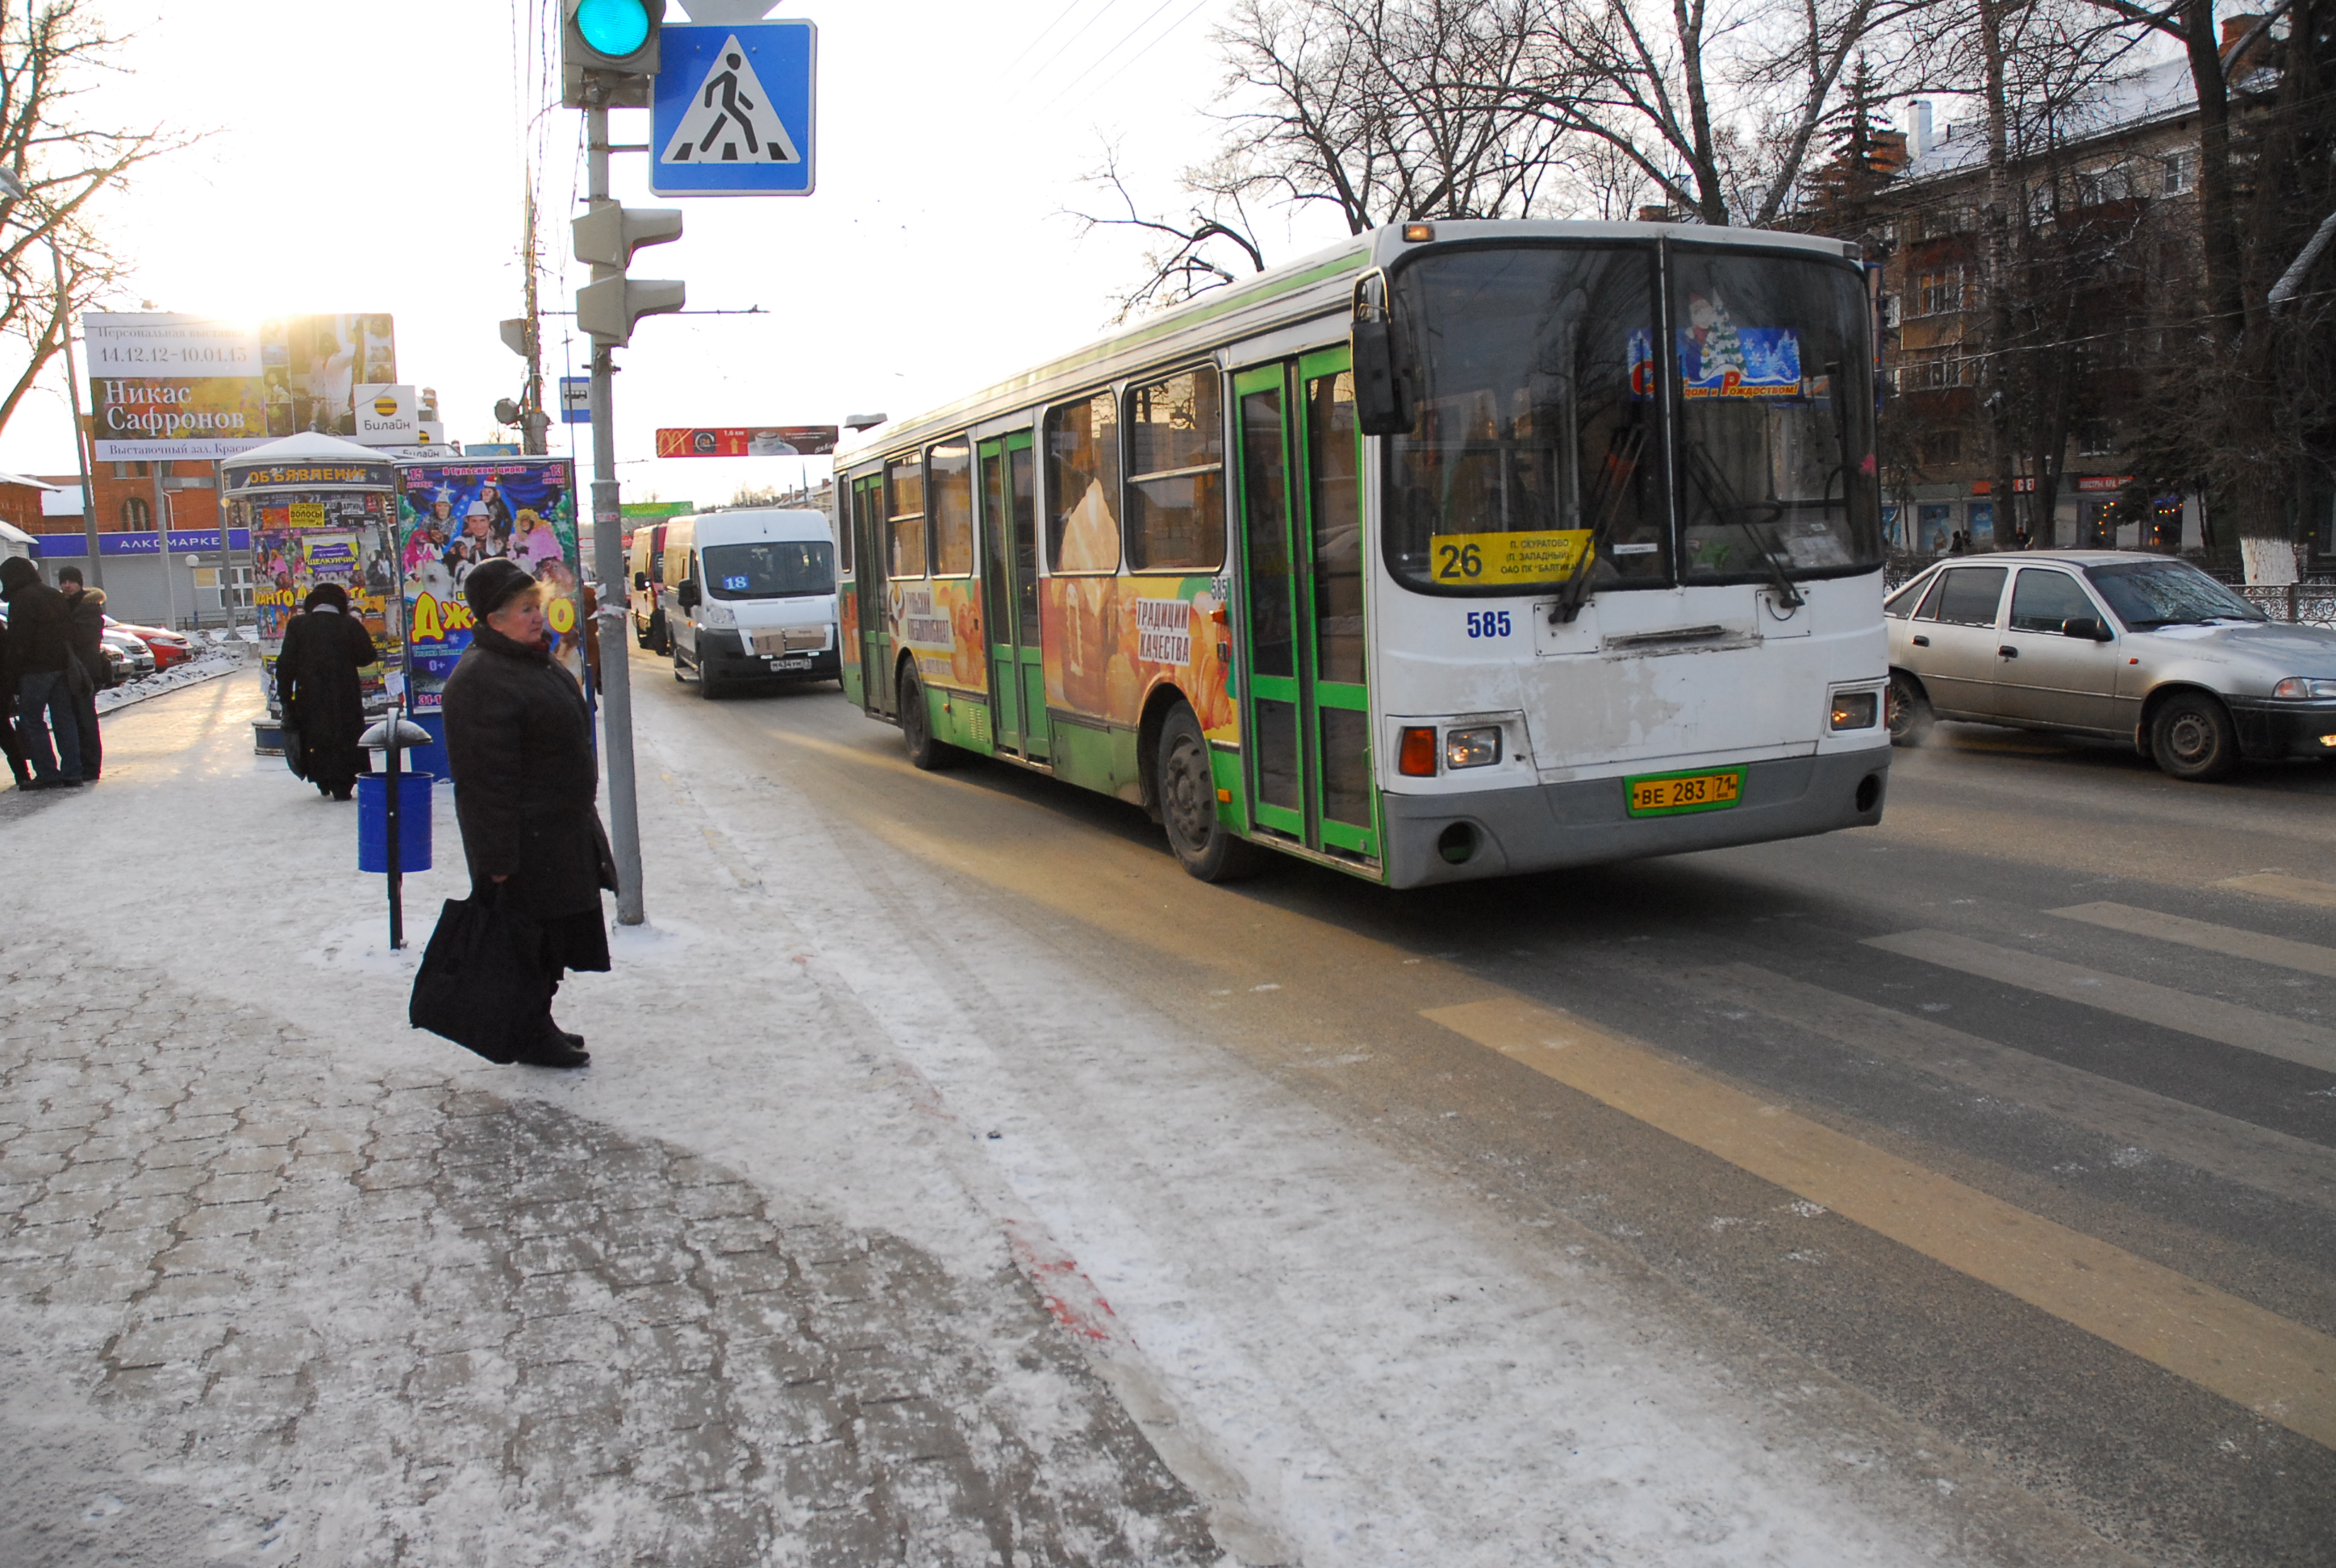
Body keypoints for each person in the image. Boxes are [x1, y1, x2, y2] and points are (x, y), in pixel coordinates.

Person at [441, 558, 614, 1070]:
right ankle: (530, 1032)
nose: (537, 617)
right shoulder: (480, 680)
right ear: (493, 620)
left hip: (555, 833)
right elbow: (483, 781)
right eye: (524, 610)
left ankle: (539, 1020)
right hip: (524, 842)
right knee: (527, 944)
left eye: (536, 606)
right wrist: (495, 856)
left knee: (550, 939)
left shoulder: (524, 661)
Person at [276, 582, 379, 800]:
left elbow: (286, 664)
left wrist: (286, 696)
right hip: (345, 694)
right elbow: (367, 656)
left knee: (316, 735)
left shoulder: (298, 625)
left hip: (309, 694)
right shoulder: (349, 624)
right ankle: (344, 782)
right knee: (347, 736)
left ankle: (322, 779)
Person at [0, 556, 82, 789]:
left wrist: (11, 676)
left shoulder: (22, 599)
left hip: (34, 670)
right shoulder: (53, 595)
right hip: (61, 666)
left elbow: (19, 641)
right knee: (64, 719)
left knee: (33, 720)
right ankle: (73, 772)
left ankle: (48, 773)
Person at [56, 567, 111, 782]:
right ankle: (79, 765)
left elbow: (83, 638)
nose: (67, 585)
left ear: (80, 583)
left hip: (86, 670)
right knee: (75, 718)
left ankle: (90, 767)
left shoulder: (89, 607)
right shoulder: (62, 604)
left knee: (85, 718)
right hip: (71, 668)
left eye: (71, 581)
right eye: (63, 581)